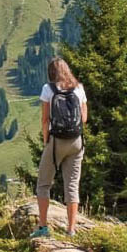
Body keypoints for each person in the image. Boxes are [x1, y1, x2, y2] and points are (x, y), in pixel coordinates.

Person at [31, 57, 87, 238]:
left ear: (51, 73)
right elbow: (84, 118)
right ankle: (71, 230)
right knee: (72, 185)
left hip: (56, 141)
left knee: (43, 183)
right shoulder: (79, 88)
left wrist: (46, 141)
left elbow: (45, 119)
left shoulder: (48, 89)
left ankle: (43, 227)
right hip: (76, 141)